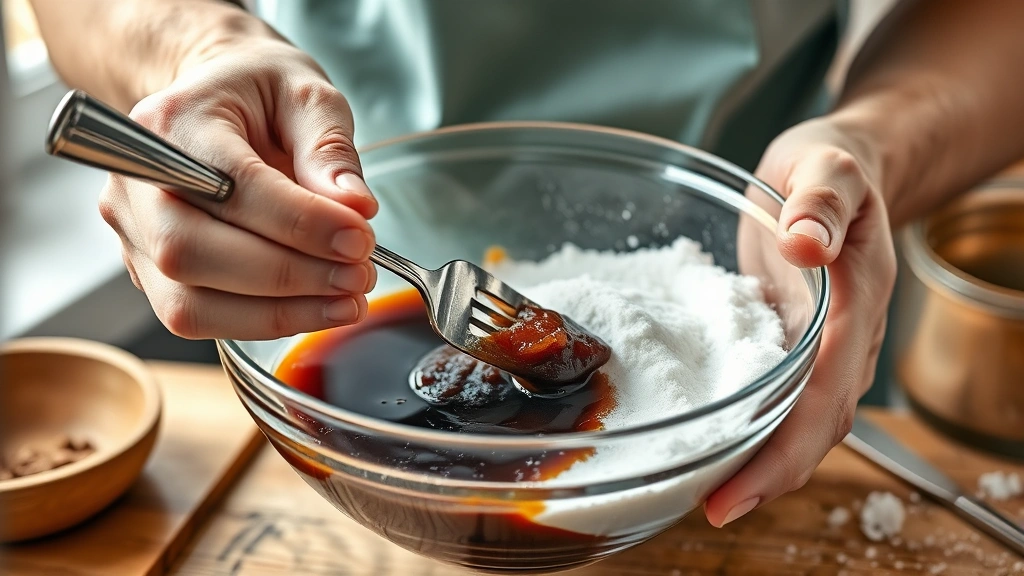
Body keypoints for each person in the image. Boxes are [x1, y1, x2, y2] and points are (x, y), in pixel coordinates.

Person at [29, 0, 1024, 529]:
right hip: (322, 241)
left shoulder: (736, 311)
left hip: (756, 283)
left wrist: (873, 145)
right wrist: (192, 48)